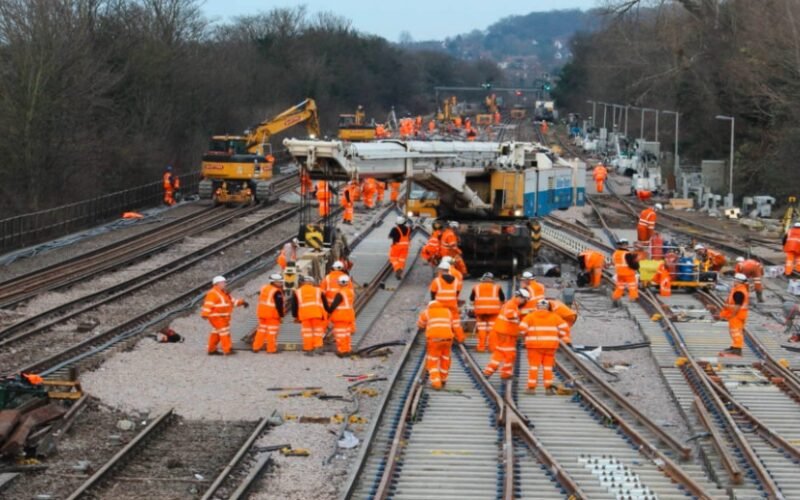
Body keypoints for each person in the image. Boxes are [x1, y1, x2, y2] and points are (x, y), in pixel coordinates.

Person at [520, 299, 570, 394]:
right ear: (548, 307)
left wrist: (525, 335)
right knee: (548, 368)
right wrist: (559, 335)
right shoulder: (555, 317)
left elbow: (522, 329)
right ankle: (548, 388)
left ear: (537, 306)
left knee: (534, 367)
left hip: (534, 346)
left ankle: (531, 388)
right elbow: (565, 328)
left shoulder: (530, 316)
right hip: (550, 346)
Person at [484, 289, 529, 379]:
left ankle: (488, 371)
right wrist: (522, 314)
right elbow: (510, 316)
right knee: (510, 354)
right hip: (507, 333)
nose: (524, 302)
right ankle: (506, 373)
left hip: (503, 332)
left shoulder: (511, 304)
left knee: (499, 352)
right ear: (519, 297)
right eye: (524, 300)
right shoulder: (512, 305)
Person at [417, 299, 461, 389]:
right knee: (445, 358)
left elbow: (420, 325)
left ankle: (436, 383)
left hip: (434, 339)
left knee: (432, 361)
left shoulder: (426, 312)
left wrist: (426, 326)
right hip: (448, 339)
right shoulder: (448, 312)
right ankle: (443, 379)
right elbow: (453, 324)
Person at [201, 276, 248, 355]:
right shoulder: (213, 293)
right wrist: (205, 314)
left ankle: (211, 349)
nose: (225, 284)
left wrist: (242, 302)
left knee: (216, 332)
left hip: (222, 317)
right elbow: (208, 304)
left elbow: (232, 302)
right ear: (217, 284)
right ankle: (227, 349)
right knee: (224, 332)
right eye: (223, 282)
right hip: (217, 317)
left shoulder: (223, 293)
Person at [292, 276, 329, 353]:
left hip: (304, 315)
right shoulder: (318, 290)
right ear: (312, 282)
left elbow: (294, 306)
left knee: (307, 333)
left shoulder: (297, 292)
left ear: (302, 283)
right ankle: (318, 347)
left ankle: (308, 349)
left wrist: (295, 316)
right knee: (318, 331)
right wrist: (328, 312)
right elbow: (325, 304)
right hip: (317, 314)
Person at [429, 262, 465, 342]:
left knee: (441, 321)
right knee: (455, 322)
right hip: (452, 304)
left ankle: (442, 337)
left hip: (440, 305)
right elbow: (457, 292)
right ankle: (460, 338)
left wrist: (433, 302)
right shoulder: (455, 280)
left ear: (441, 270)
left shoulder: (437, 280)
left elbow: (432, 293)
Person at [470, 273, 505, 352]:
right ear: (492, 280)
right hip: (494, 312)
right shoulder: (497, 287)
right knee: (492, 330)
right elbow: (502, 298)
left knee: (482, 329)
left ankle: (481, 348)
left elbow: (471, 298)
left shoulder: (476, 287)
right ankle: (492, 348)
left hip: (480, 312)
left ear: (482, 279)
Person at [718, 273, 749, 357]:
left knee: (736, 332)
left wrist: (732, 314)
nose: (733, 282)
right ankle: (734, 346)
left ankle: (737, 349)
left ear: (738, 281)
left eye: (735, 280)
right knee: (734, 332)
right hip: (739, 315)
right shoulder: (739, 289)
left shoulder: (739, 292)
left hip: (737, 315)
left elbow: (737, 306)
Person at [253, 274, 285, 353]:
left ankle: (256, 347)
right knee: (272, 332)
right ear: (274, 282)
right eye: (279, 282)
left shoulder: (264, 288)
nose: (281, 283)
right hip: (272, 315)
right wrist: (281, 315)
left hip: (262, 313)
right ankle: (271, 349)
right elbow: (279, 305)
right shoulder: (276, 292)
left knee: (261, 331)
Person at [327, 275, 356, 355]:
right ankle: (347, 349)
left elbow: (334, 305)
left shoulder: (340, 294)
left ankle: (342, 350)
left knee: (340, 334)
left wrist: (328, 311)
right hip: (349, 315)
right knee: (346, 334)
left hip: (340, 316)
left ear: (339, 283)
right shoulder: (351, 292)